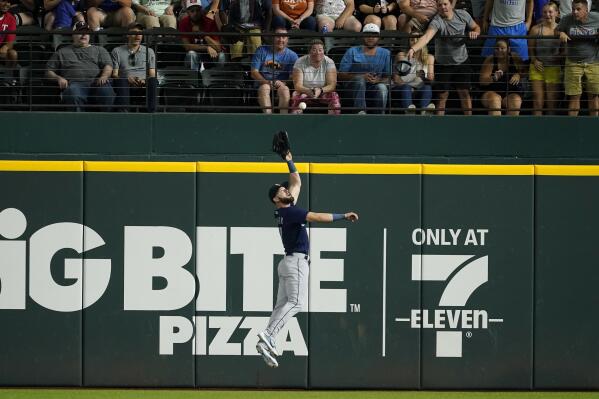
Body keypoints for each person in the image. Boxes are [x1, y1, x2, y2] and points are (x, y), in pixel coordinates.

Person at [256, 148, 359, 368]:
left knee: (281, 305)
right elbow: (318, 217)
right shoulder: (289, 211)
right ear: (276, 199)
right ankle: (269, 334)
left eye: (284, 188)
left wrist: (289, 161)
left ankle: (266, 342)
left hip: (287, 263)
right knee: (296, 303)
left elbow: (297, 182)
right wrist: (343, 216)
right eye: (281, 190)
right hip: (296, 263)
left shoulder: (286, 210)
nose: (285, 189)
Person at [407, 0, 480, 115]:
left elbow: (476, 27)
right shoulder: (436, 21)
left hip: (462, 61)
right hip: (443, 64)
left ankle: (469, 123)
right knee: (442, 96)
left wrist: (475, 32)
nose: (442, 7)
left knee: (464, 93)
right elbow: (426, 37)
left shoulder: (463, 15)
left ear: (451, 4)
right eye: (439, 5)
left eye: (445, 4)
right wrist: (413, 49)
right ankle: (439, 125)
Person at [46, 21, 115, 111]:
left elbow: (108, 66)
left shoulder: (99, 50)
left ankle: (105, 122)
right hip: (75, 84)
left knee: (107, 92)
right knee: (72, 93)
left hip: (97, 84)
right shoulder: (62, 52)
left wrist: (104, 76)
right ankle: (77, 123)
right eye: (80, 32)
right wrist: (58, 78)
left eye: (86, 32)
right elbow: (48, 71)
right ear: (73, 35)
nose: (84, 34)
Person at [338, 23, 391, 114]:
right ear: (363, 36)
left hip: (373, 87)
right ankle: (361, 113)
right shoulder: (352, 51)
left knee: (382, 87)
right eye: (367, 35)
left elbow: (388, 77)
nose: (370, 37)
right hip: (353, 89)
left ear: (378, 37)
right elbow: (340, 75)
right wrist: (361, 76)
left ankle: (379, 118)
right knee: (360, 80)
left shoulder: (385, 53)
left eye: (374, 35)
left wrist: (378, 80)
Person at [557, 0, 599, 116]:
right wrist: (561, 33)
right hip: (573, 62)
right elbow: (557, 30)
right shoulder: (567, 19)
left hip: (593, 62)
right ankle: (573, 127)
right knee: (574, 96)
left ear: (586, 10)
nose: (575, 12)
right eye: (573, 9)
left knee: (594, 96)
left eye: (578, 9)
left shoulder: (596, 18)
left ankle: (594, 126)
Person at [251, 27, 298, 113]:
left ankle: (283, 121)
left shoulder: (292, 56)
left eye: (284, 37)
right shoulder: (261, 50)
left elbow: (293, 77)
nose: (281, 40)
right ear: (273, 38)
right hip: (263, 84)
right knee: (265, 88)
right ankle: (269, 120)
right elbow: (254, 72)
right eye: (278, 36)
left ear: (287, 40)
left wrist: (283, 83)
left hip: (280, 85)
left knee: (285, 90)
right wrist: (267, 82)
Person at [111, 22, 156, 110]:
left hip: (143, 83)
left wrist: (144, 80)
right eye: (134, 33)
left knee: (153, 81)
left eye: (140, 33)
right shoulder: (117, 51)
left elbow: (152, 74)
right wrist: (127, 78)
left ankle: (151, 113)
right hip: (125, 82)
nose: (138, 36)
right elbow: (115, 74)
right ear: (128, 34)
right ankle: (124, 113)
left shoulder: (149, 51)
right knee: (122, 81)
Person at [290, 39, 341, 114]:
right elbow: (297, 85)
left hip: (323, 92)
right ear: (309, 52)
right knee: (295, 95)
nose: (317, 53)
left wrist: (321, 90)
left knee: (334, 96)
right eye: (314, 50)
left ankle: (334, 123)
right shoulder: (300, 62)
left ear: (324, 51)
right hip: (305, 92)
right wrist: (308, 91)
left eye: (320, 50)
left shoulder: (329, 62)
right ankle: (295, 122)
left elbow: (332, 85)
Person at [528, 2, 561, 115]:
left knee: (552, 103)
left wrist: (558, 57)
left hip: (554, 68)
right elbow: (530, 50)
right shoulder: (535, 29)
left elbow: (566, 51)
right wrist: (534, 60)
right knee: (538, 102)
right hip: (537, 67)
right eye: (545, 12)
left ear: (557, 13)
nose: (547, 14)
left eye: (550, 12)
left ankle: (550, 130)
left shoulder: (561, 30)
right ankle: (536, 130)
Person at [479, 38, 524, 115]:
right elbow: (482, 82)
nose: (499, 50)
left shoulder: (515, 57)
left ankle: (510, 127)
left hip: (511, 92)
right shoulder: (490, 60)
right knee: (495, 100)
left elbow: (524, 72)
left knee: (515, 101)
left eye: (502, 48)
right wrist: (493, 78)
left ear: (508, 49)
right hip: (491, 92)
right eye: (497, 48)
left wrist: (518, 75)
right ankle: (496, 126)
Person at [392, 36, 435, 114]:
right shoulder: (401, 55)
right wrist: (409, 88)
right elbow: (396, 79)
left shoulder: (429, 57)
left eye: (417, 39)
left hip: (418, 90)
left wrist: (424, 77)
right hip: (402, 88)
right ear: (408, 42)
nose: (415, 41)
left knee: (427, 87)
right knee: (406, 88)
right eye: (412, 39)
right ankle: (409, 112)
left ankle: (424, 111)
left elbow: (431, 80)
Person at [179, 0, 225, 70]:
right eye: (192, 11)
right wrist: (207, 48)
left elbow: (218, 48)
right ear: (188, 12)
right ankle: (193, 79)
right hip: (196, 54)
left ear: (201, 10)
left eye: (197, 10)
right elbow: (187, 46)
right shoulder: (184, 23)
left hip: (210, 55)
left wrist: (203, 34)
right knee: (191, 54)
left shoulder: (209, 22)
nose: (195, 13)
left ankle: (219, 79)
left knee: (221, 55)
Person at [0, 0, 18, 73]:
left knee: (13, 54)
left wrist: (5, 47)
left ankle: (9, 78)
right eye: (3, 1)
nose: (7, 4)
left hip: (1, 50)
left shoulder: (11, 18)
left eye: (9, 2)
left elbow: (10, 41)